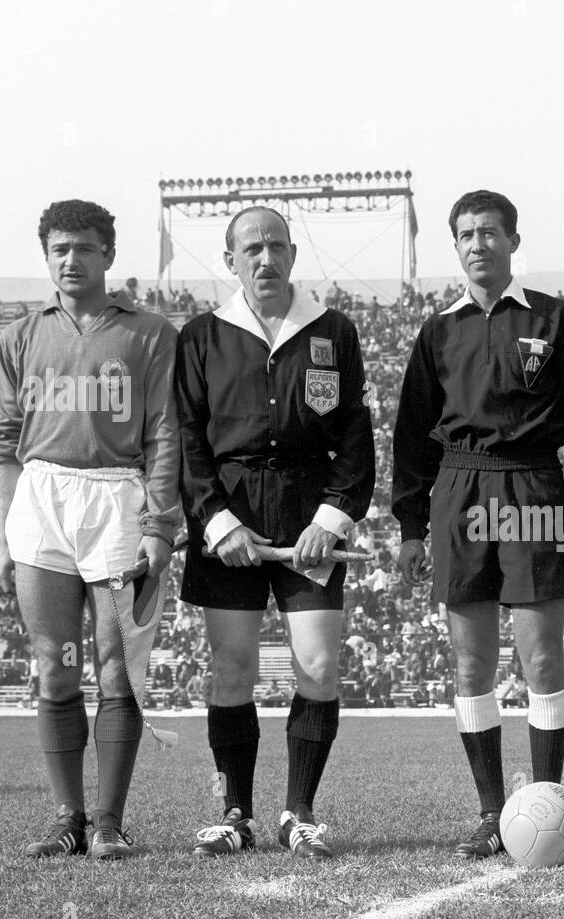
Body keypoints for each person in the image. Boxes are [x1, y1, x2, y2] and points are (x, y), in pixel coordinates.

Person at [393, 189, 564, 859]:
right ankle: (492, 811)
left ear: (513, 241)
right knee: (472, 665)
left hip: (534, 486)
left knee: (542, 657)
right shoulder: (437, 331)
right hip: (458, 491)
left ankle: (546, 801)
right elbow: (412, 438)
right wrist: (409, 526)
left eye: (490, 232)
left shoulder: (554, 319)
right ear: (454, 246)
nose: (477, 243)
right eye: (465, 234)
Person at [175, 205, 375, 861]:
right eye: (251, 248)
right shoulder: (202, 335)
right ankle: (235, 813)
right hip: (229, 516)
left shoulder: (332, 330)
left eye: (276, 246)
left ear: (293, 253)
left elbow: (353, 438)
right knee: (231, 669)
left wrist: (332, 517)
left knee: (318, 664)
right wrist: (216, 519)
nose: (265, 258)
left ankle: (301, 812)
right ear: (229, 260)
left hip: (306, 513)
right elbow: (188, 443)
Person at [0, 199, 179, 860]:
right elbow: (3, 444)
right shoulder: (20, 337)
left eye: (84, 248)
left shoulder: (151, 332)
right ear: (47, 256)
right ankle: (67, 817)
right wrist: (3, 532)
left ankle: (108, 821)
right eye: (59, 249)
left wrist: (160, 528)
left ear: (108, 255)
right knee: (55, 668)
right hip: (40, 499)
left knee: (116, 670)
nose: (71, 260)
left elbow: (163, 436)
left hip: (115, 497)